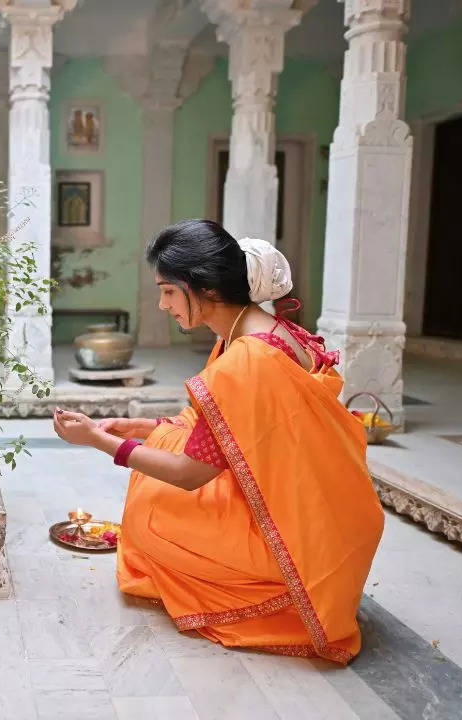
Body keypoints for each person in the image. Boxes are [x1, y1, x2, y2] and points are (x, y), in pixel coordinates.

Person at [51, 219, 384, 663]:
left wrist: (99, 441)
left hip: (293, 539)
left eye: (169, 291)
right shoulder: (268, 330)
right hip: (326, 521)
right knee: (160, 453)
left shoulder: (246, 359)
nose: (163, 304)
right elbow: (230, 433)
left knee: (150, 513)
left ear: (205, 287)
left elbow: (192, 474)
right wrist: (145, 428)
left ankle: (272, 591)